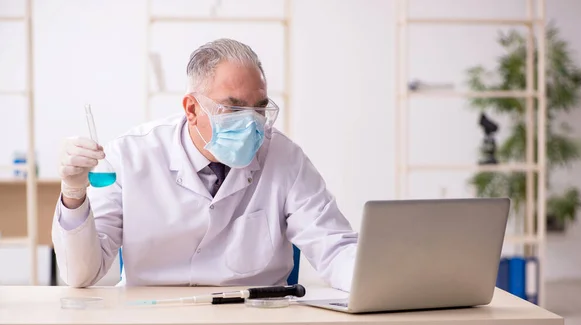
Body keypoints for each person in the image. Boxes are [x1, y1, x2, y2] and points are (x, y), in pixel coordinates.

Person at [52, 38, 357, 291]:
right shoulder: (131, 155)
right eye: (233, 108)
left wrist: (379, 280)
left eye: (259, 109)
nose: (251, 123)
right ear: (192, 109)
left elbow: (334, 247)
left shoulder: (285, 158)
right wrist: (73, 192)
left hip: (254, 324)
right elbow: (81, 275)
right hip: (150, 322)